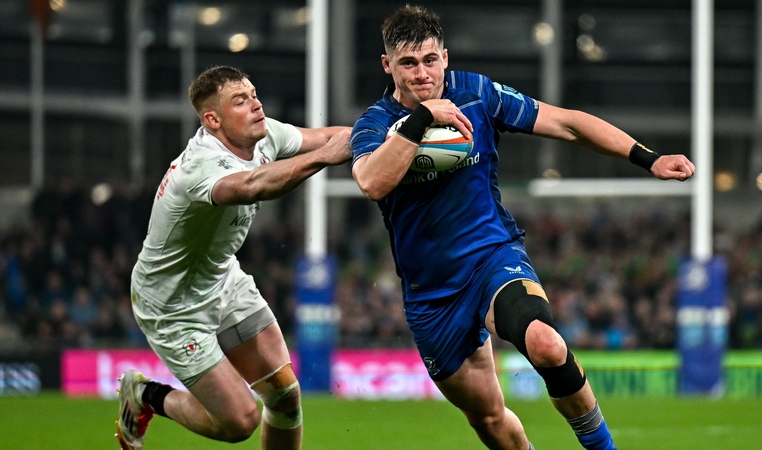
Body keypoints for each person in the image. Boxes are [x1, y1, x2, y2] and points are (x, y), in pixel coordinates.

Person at [350, 6, 695, 450]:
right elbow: (371, 181)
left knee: (547, 345)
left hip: (493, 257)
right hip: (432, 296)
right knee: (491, 421)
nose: (422, 73)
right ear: (387, 65)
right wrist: (422, 120)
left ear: (446, 58)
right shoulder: (375, 124)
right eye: (408, 63)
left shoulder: (476, 94)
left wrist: (648, 158)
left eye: (430, 60)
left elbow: (566, 122)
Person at [115, 65, 351, 450]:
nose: (256, 105)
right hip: (173, 305)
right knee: (240, 422)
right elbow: (253, 185)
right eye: (241, 101)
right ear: (213, 120)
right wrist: (326, 156)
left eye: (254, 95)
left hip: (222, 279)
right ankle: (146, 396)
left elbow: (327, 136)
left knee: (285, 398)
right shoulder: (200, 166)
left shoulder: (263, 134)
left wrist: (392, 133)